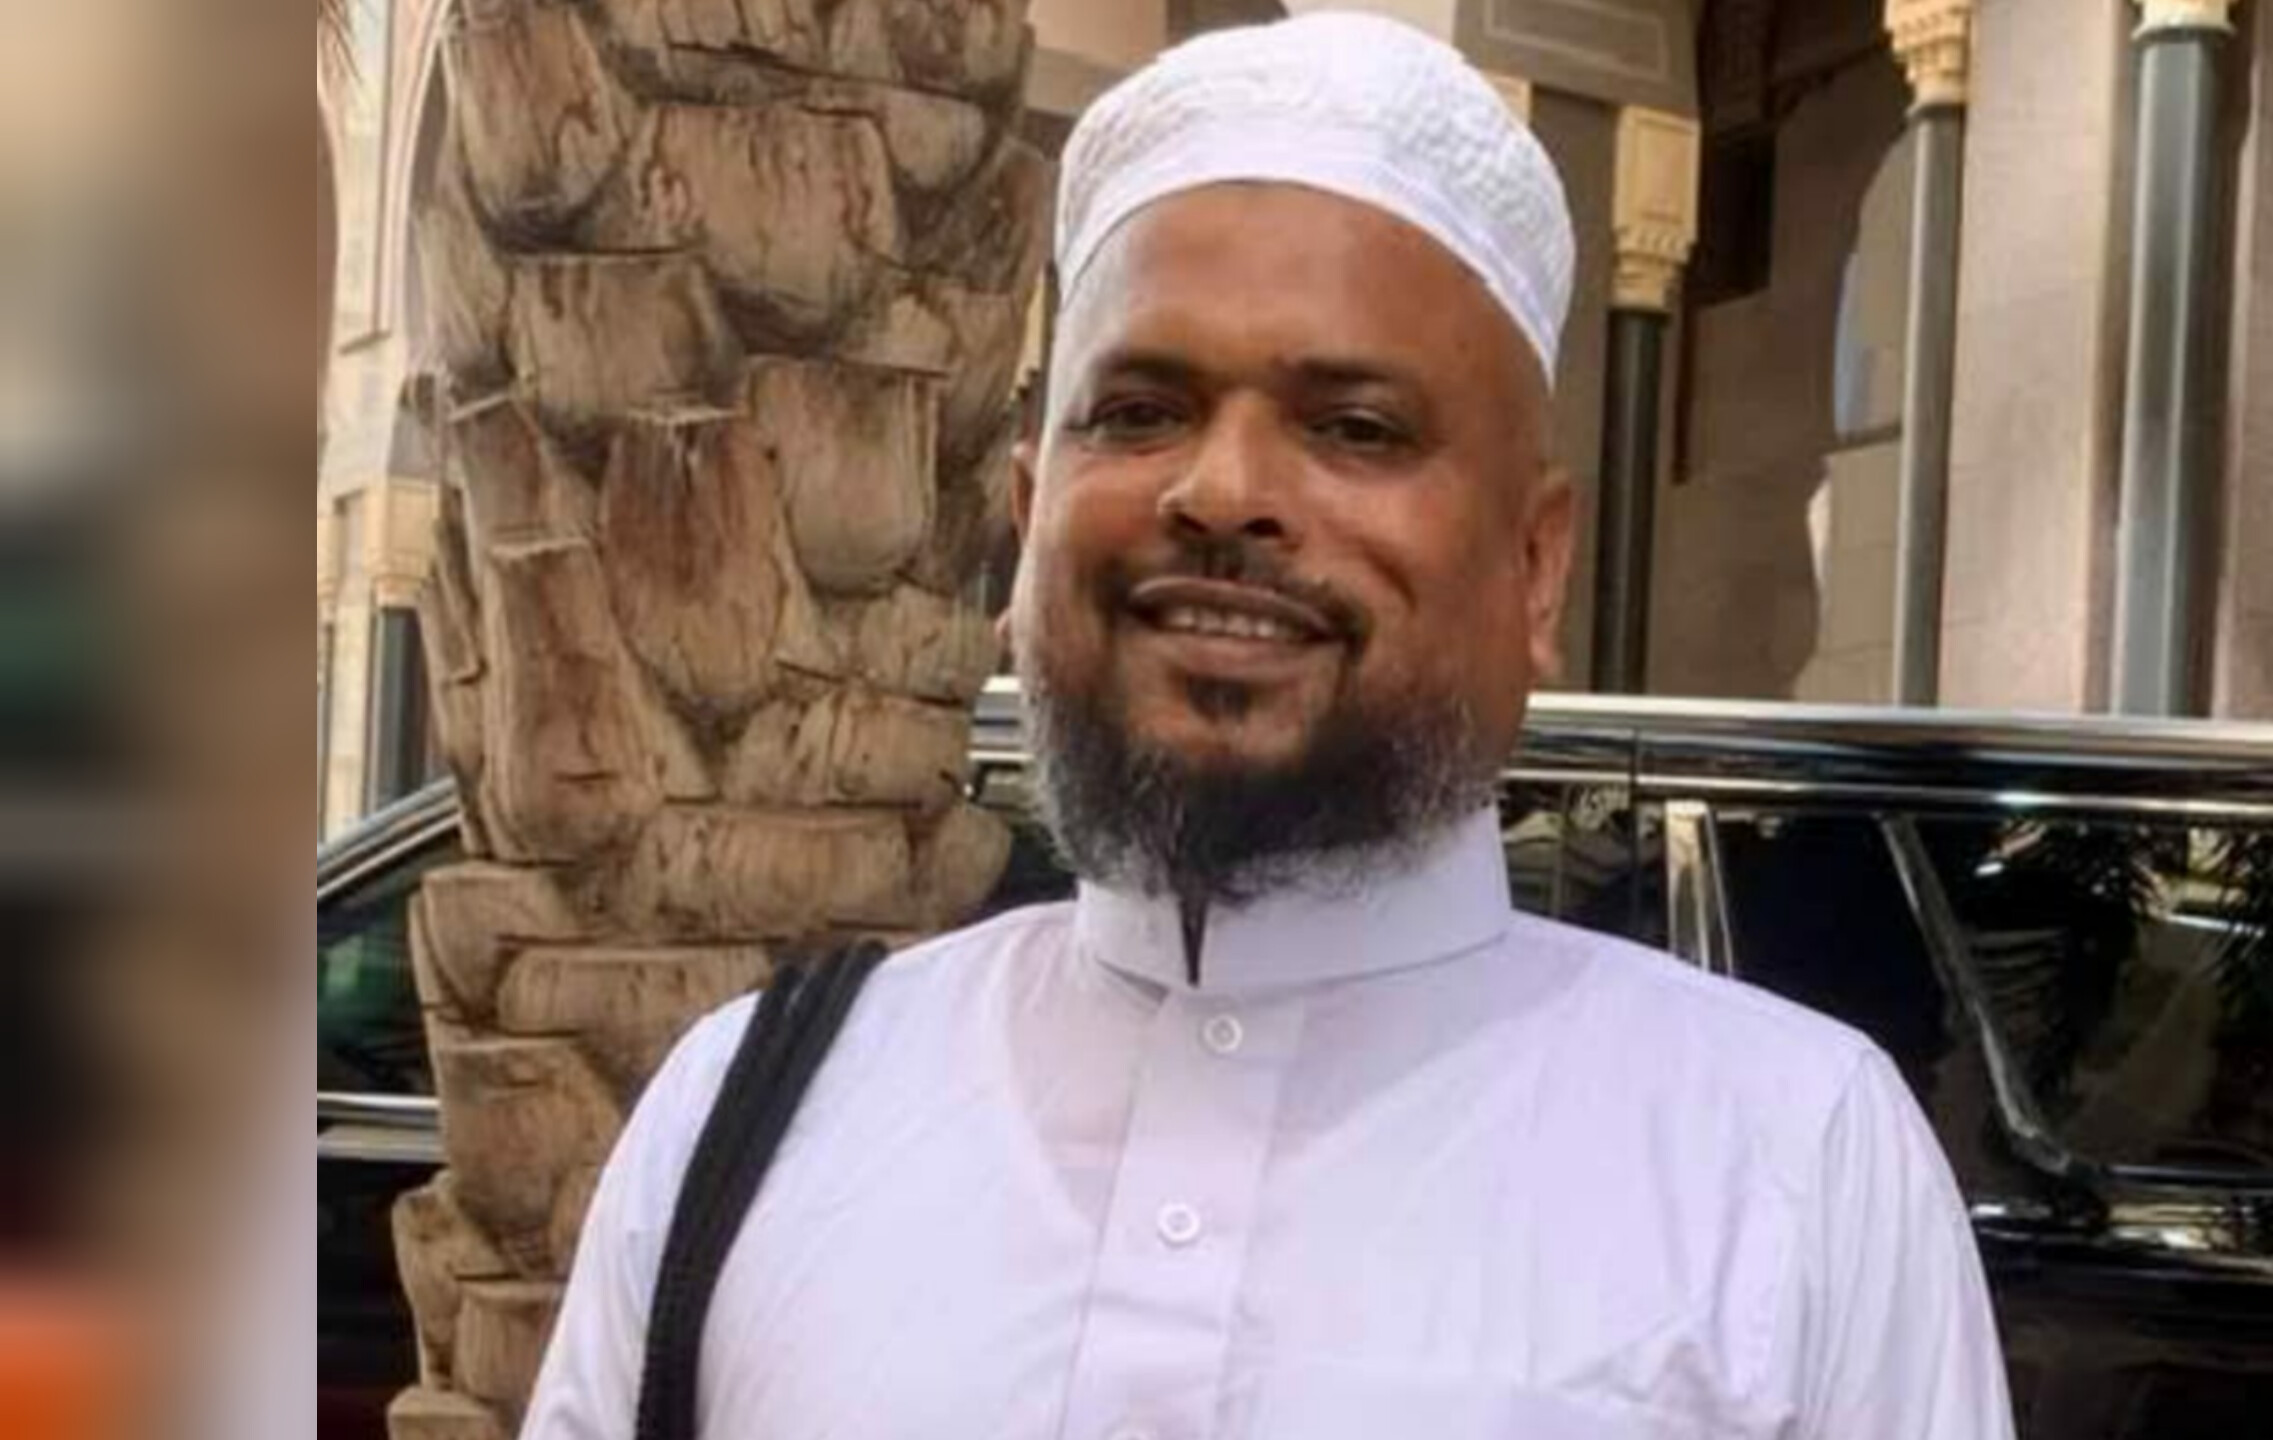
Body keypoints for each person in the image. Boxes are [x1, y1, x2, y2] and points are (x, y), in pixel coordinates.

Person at [523, 12, 2014, 1438]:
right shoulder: (754, 1110)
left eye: (1356, 427)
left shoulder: (1787, 1165)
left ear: (1536, 565)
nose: (1223, 491)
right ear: (1030, 520)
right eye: (1139, 412)